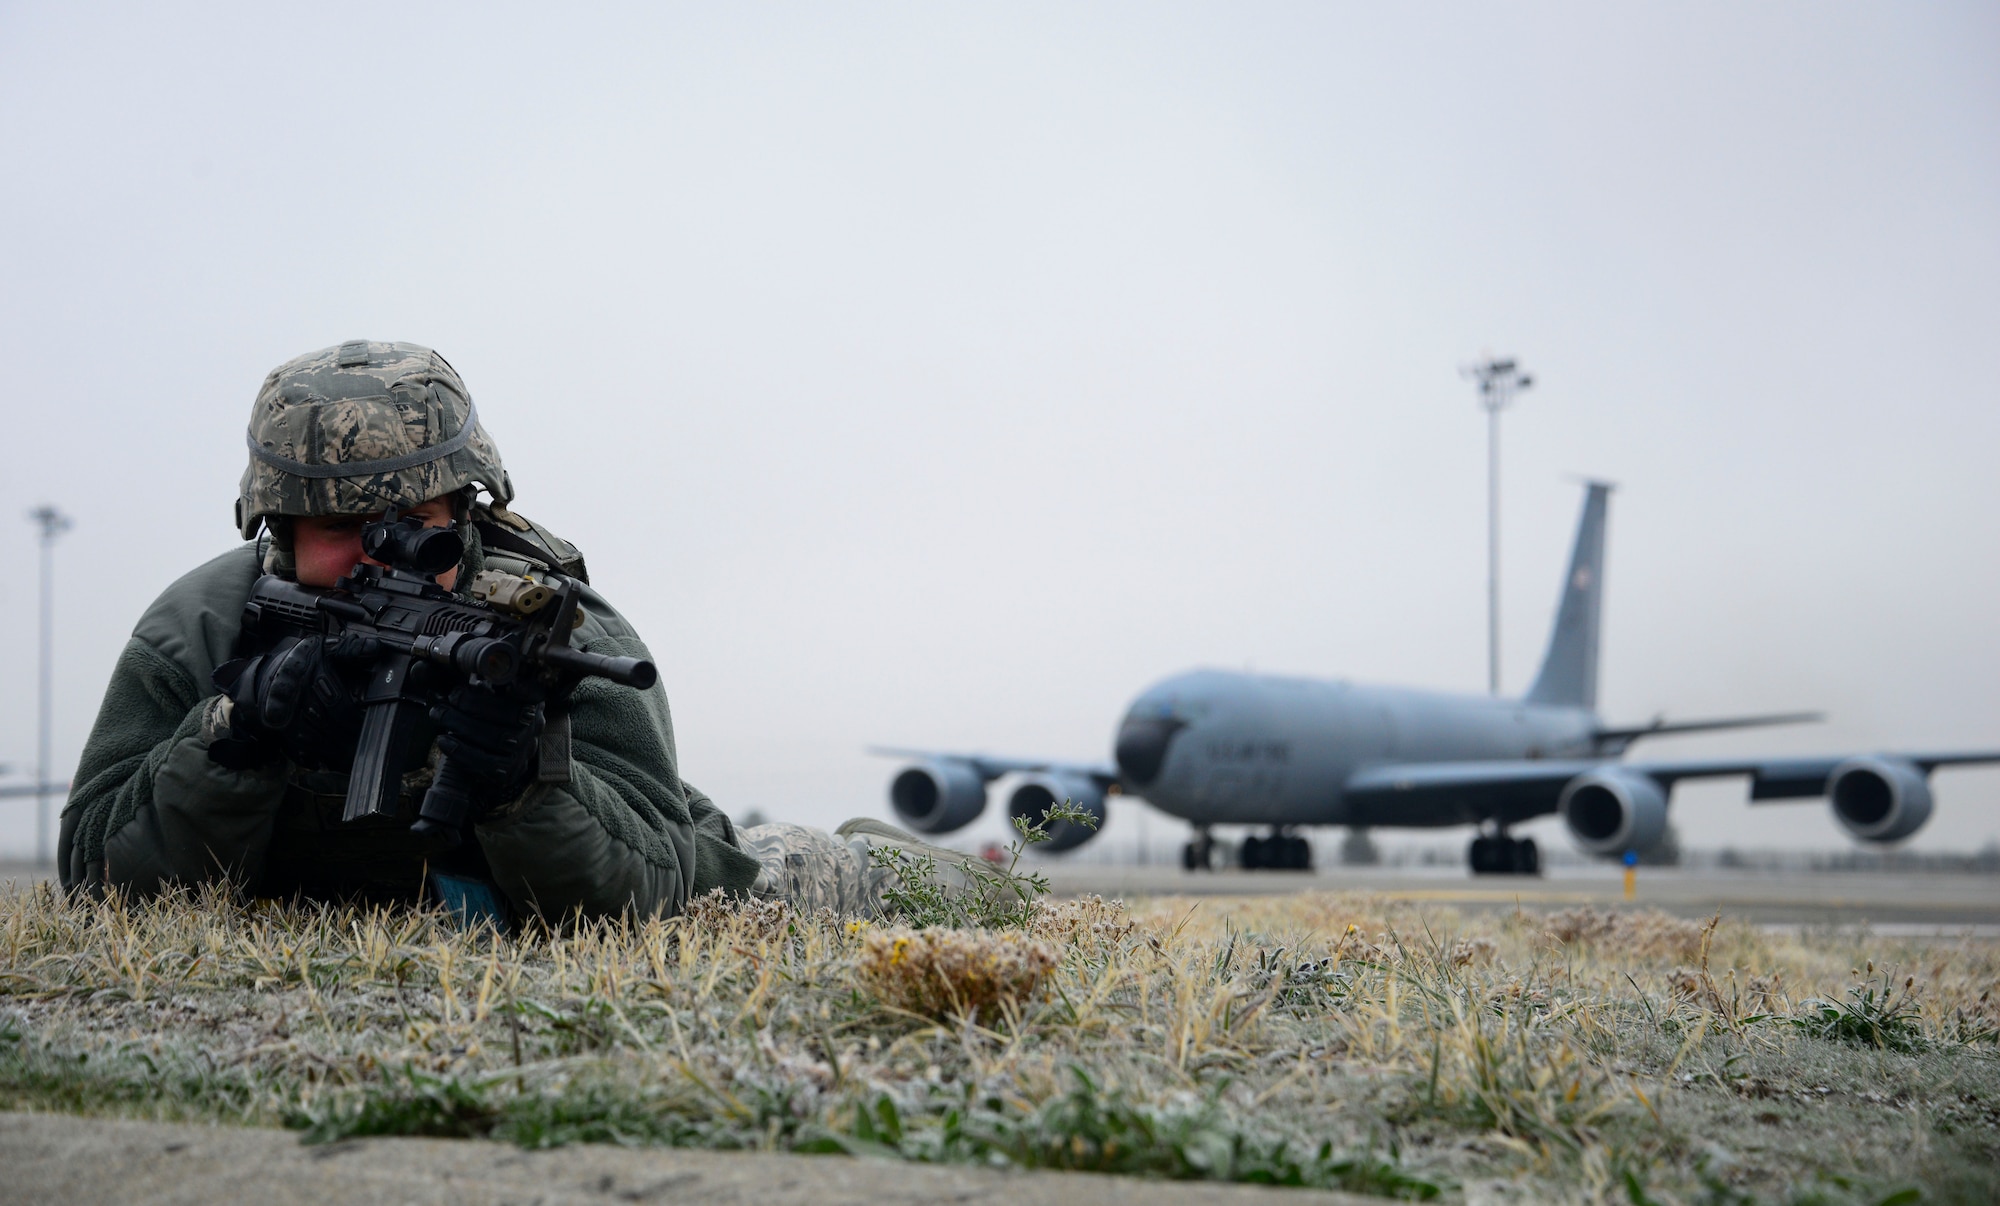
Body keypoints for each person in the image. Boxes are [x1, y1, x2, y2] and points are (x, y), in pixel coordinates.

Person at [57, 340, 973, 923]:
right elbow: (95, 879)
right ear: (277, 533)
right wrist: (232, 736)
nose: (384, 557)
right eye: (342, 531)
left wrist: (520, 791)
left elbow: (653, 890)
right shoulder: (199, 629)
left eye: (415, 522)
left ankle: (945, 867)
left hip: (678, 860)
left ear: (466, 511)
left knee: (847, 884)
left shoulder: (549, 627)